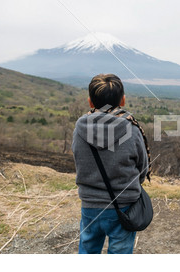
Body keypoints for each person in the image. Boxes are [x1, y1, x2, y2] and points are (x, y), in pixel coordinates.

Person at [72, 74, 149, 254]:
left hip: (90, 203)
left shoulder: (79, 128)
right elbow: (142, 167)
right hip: (124, 204)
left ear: (90, 102)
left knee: (88, 250)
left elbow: (78, 159)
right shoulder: (131, 129)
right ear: (122, 100)